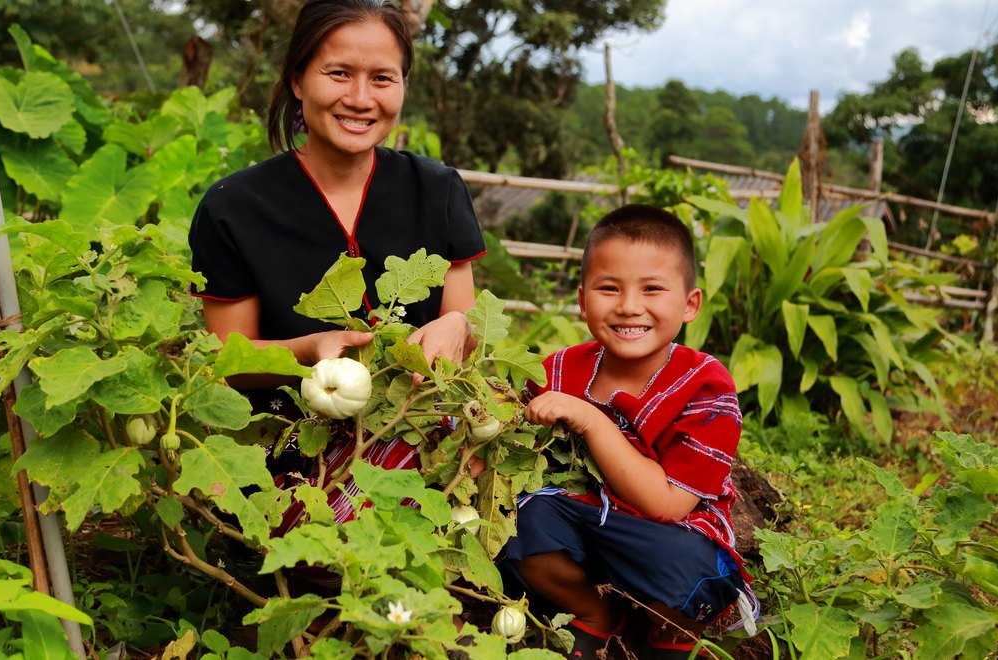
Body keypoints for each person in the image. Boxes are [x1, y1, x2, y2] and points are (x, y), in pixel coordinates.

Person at [188, 0, 485, 533]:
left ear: (403, 87)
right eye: (339, 73)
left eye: (383, 78)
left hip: (418, 431)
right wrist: (308, 352)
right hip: (293, 450)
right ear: (298, 79)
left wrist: (458, 325)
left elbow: (466, 331)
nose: (360, 99)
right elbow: (226, 363)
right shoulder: (234, 205)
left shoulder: (437, 190)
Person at [505, 205, 755, 659]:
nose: (628, 306)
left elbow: (666, 504)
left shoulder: (706, 387)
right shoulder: (558, 369)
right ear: (582, 300)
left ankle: (671, 632)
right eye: (609, 288)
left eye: (652, 289)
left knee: (688, 569)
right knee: (517, 524)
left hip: (664, 534)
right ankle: (596, 612)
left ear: (689, 304)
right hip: (579, 527)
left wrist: (591, 419)